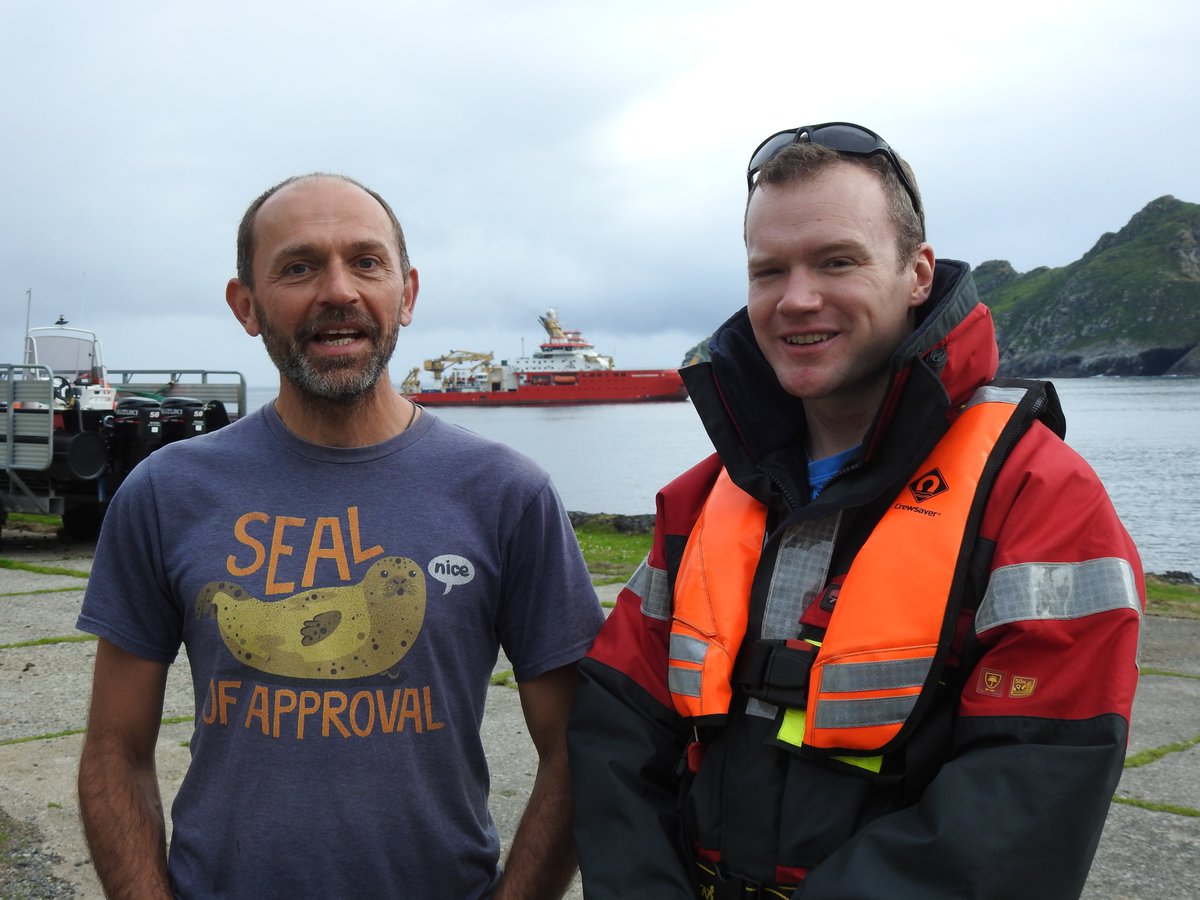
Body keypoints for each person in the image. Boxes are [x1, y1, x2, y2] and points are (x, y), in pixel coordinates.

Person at [567, 123, 1144, 898]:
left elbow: (1029, 797)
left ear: (917, 273)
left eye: (837, 261)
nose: (798, 299)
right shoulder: (700, 501)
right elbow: (616, 736)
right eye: (769, 270)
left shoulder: (1040, 498)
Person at [77, 172, 604, 899]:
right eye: (298, 267)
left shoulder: (507, 495)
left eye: (366, 262)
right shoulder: (167, 493)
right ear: (247, 306)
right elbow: (114, 750)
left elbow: (578, 750)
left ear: (407, 293)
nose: (338, 291)